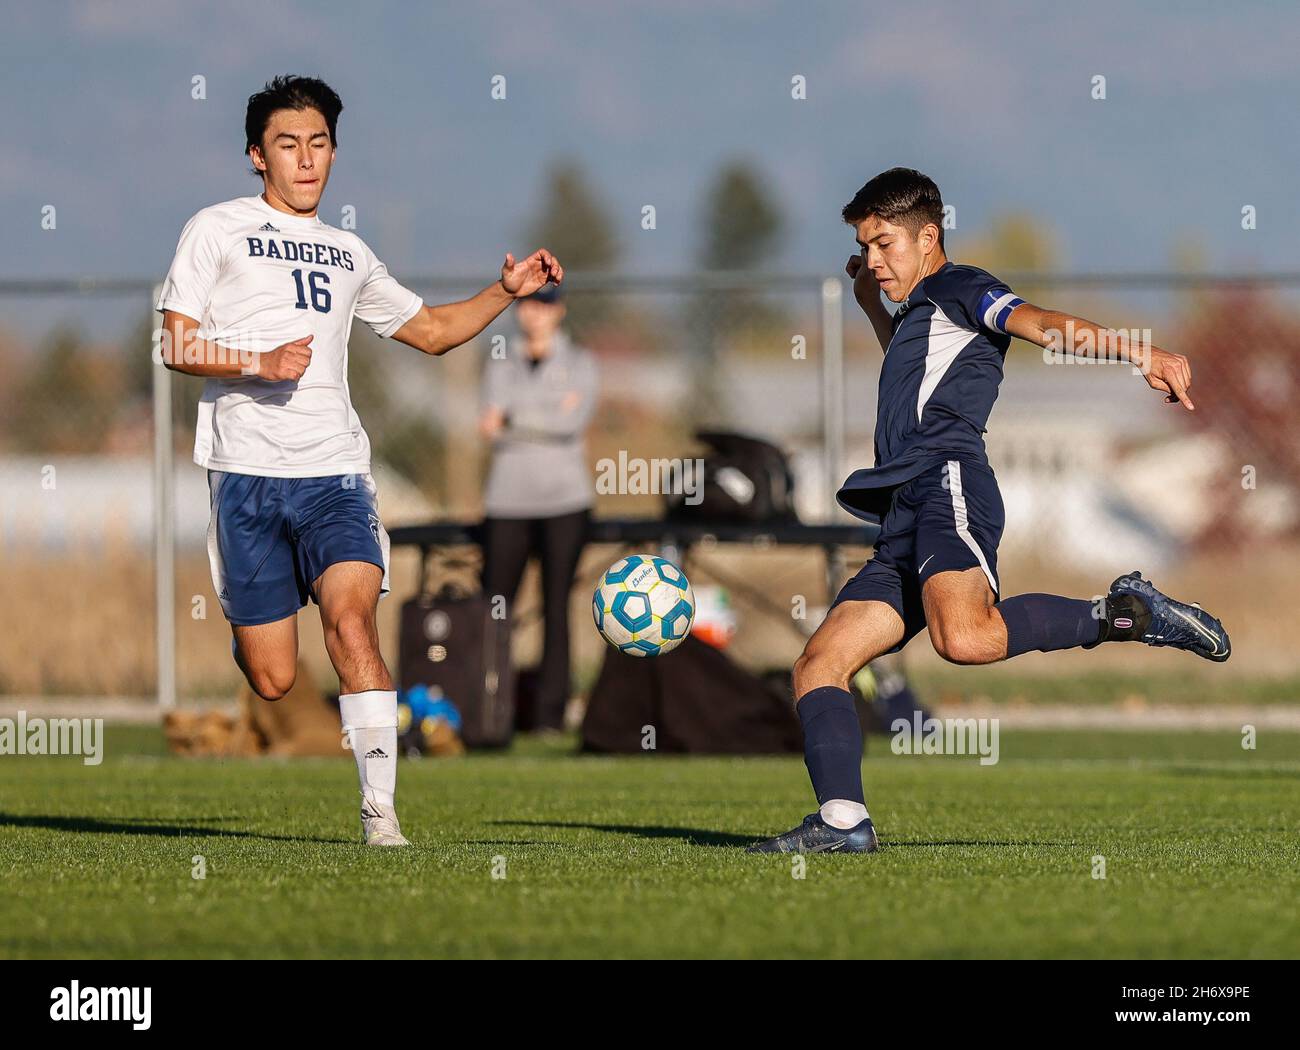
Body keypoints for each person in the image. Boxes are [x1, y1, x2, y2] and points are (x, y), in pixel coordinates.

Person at [749, 168, 1230, 854]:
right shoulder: (919, 311)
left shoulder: (961, 286)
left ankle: (1129, 613)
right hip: (901, 512)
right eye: (865, 246)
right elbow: (918, 375)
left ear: (929, 236)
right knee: (820, 665)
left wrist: (1138, 351)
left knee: (965, 640)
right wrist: (869, 304)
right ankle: (843, 824)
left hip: (947, 485)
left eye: (884, 244)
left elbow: (1042, 325)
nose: (874, 259)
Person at [156, 75, 563, 846]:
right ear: (256, 155)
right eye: (287, 144)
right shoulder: (215, 229)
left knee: (352, 626)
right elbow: (174, 343)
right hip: (244, 479)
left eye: (318, 143)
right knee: (274, 677)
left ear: (334, 153)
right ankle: (256, 631)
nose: (305, 159)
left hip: (335, 477)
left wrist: (505, 292)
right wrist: (257, 361)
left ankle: (382, 816)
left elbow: (434, 330)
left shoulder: (350, 252)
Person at [479, 284, 597, 732]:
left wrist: (512, 418)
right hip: (506, 500)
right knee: (496, 609)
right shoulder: (499, 360)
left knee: (556, 607)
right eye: (528, 304)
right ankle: (492, 708)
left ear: (559, 311)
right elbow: (488, 426)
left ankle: (550, 714)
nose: (535, 313)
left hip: (565, 501)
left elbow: (572, 423)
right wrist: (543, 417)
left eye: (545, 305)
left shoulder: (581, 362)